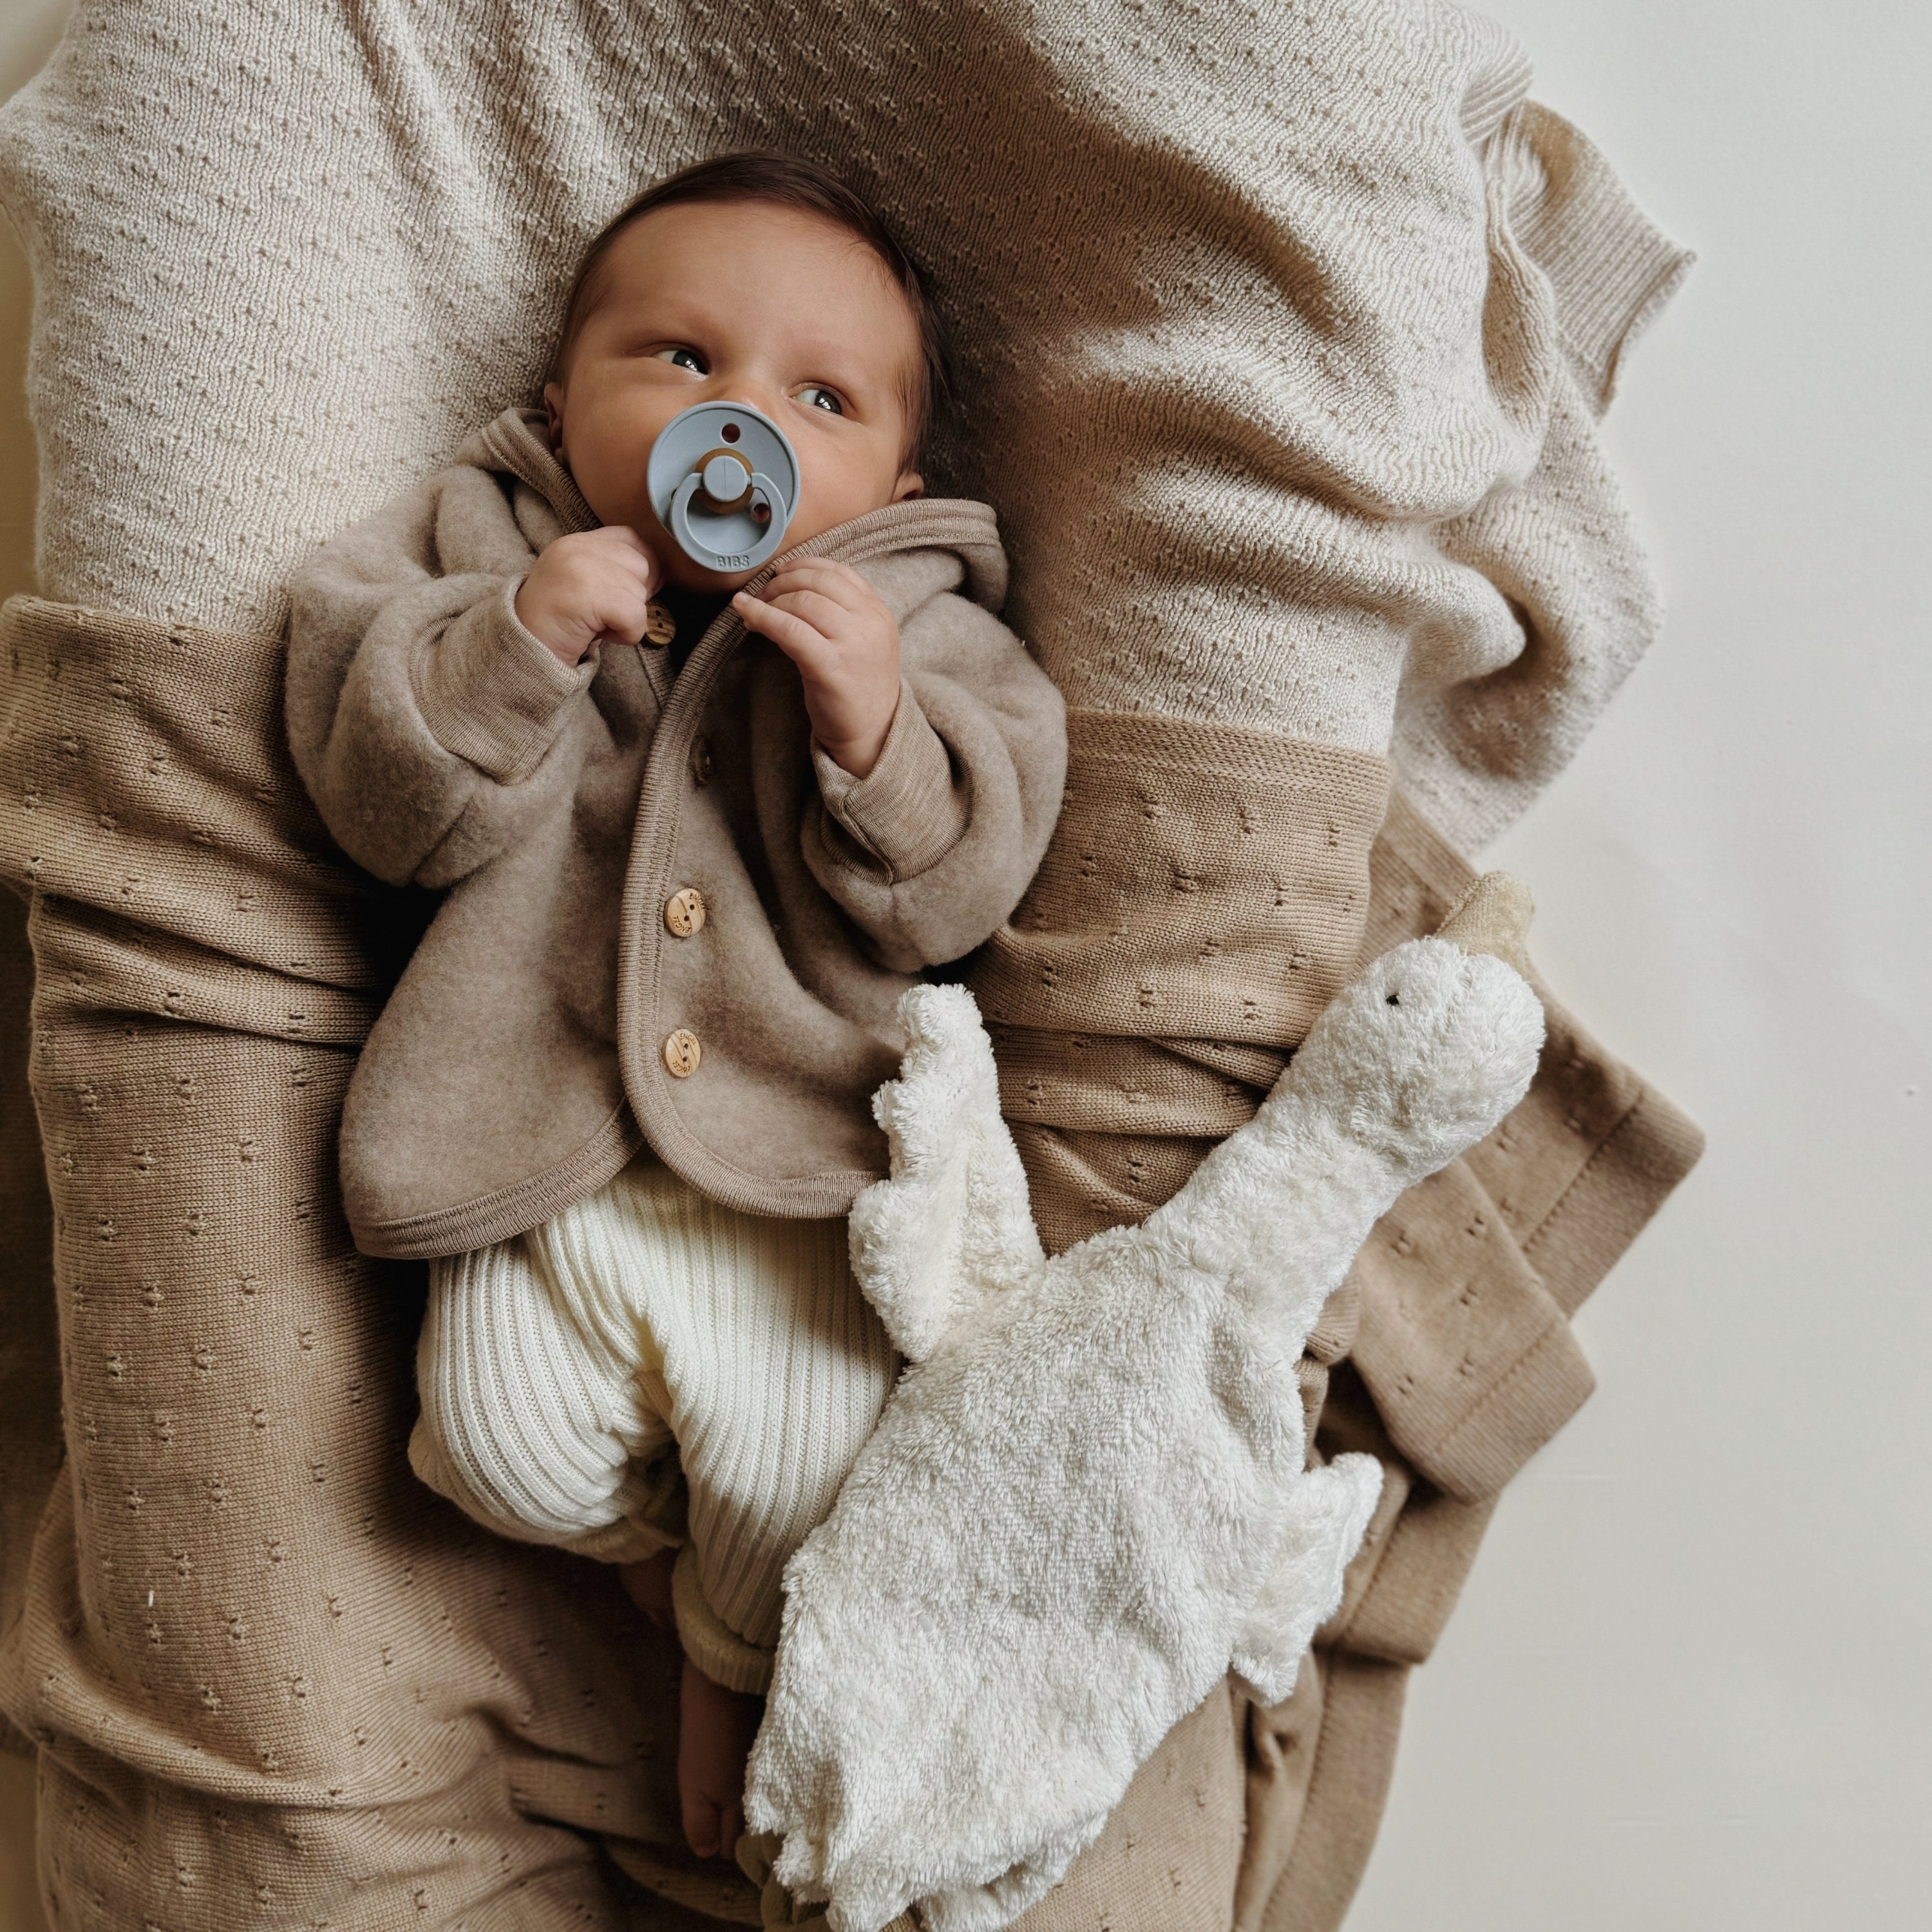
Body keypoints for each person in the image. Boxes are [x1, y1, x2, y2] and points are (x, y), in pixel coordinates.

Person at [283, 151, 1066, 1864]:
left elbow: (966, 890)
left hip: (798, 1165)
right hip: (537, 1134)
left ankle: (727, 1639)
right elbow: (376, 806)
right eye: (683, 360)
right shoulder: (471, 554)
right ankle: (669, 1567)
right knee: (484, 1449)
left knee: (804, 1489)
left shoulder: (922, 620)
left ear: (895, 471)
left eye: (820, 394)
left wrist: (876, 731)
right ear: (564, 401)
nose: (742, 418)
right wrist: (515, 640)